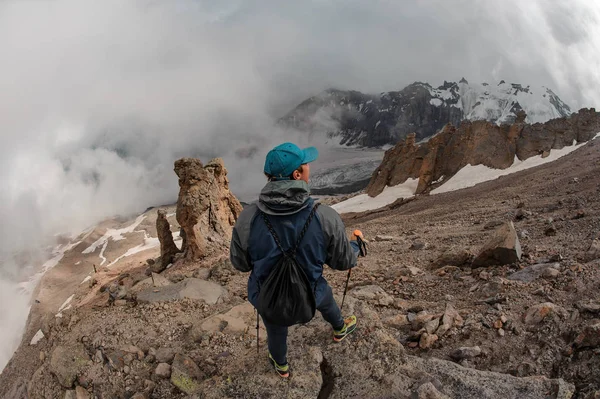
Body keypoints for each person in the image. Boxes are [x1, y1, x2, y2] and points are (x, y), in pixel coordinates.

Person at [230, 142, 363, 378]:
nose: (309, 167)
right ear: (297, 174)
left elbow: (240, 264)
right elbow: (343, 262)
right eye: (306, 164)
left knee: (275, 326)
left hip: (266, 294)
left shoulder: (248, 218)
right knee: (325, 297)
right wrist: (356, 244)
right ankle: (340, 328)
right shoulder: (324, 216)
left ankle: (281, 365)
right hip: (312, 291)